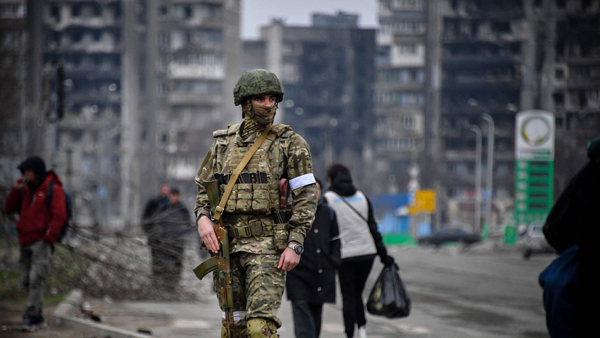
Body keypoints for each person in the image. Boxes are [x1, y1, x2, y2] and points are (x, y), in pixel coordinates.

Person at [195, 69, 317, 338]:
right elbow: (205, 193)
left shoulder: (290, 143)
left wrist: (296, 243)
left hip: (267, 249)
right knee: (234, 328)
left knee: (259, 329)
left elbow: (307, 197)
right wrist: (203, 219)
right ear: (245, 102)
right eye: (261, 98)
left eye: (272, 99)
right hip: (227, 249)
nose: (268, 104)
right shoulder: (222, 144)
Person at [323, 163, 395, 338]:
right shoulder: (363, 198)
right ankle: (362, 329)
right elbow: (373, 229)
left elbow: (326, 231)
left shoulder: (328, 199)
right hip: (367, 254)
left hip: (345, 255)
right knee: (357, 293)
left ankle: (350, 333)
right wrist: (384, 256)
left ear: (330, 179)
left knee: (348, 296)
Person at [540, 136, 600, 338]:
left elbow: (554, 226)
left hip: (581, 262)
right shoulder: (589, 180)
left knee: (557, 284)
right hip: (584, 261)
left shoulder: (587, 177)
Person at [5, 156, 67, 331]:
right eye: (23, 171)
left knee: (36, 279)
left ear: (36, 172)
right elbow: (9, 208)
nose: (25, 174)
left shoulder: (53, 190)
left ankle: (30, 316)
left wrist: (49, 238)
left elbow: (59, 215)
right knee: (25, 280)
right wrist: (16, 190)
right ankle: (38, 317)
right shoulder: (25, 191)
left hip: (41, 243)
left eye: (27, 171)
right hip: (25, 241)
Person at [286, 178, 341, 338]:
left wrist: (334, 261)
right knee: (302, 314)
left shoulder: (328, 212)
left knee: (316, 320)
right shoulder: (293, 212)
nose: (314, 192)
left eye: (317, 189)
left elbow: (335, 241)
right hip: (298, 274)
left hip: (321, 274)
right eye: (310, 189)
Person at [152, 187, 192, 288]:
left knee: (177, 262)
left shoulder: (183, 209)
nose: (174, 198)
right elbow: (157, 222)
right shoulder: (164, 208)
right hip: (166, 240)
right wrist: (162, 234)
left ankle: (174, 284)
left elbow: (189, 225)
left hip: (178, 241)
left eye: (176, 196)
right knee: (165, 262)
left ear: (178, 196)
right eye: (172, 195)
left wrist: (181, 234)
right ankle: (166, 284)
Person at [142, 183, 172, 285]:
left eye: (167, 190)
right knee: (156, 260)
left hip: (169, 238)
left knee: (168, 260)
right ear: (160, 190)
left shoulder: (172, 204)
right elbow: (145, 219)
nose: (165, 191)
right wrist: (149, 233)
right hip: (155, 237)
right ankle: (156, 280)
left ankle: (167, 282)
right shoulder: (153, 202)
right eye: (163, 189)